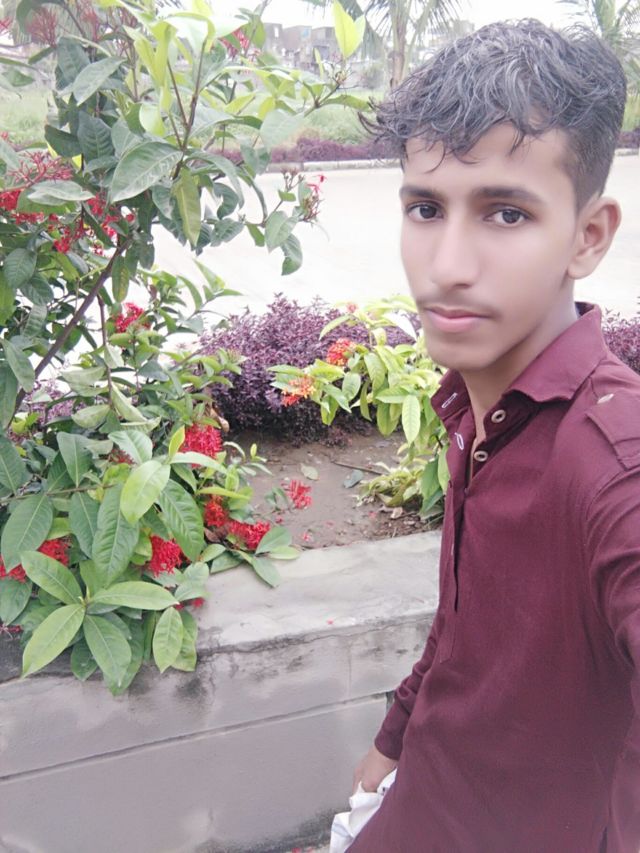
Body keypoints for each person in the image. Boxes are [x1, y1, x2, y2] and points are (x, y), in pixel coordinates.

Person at [347, 19, 640, 853]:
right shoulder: (480, 409)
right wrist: (395, 736)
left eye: (506, 213)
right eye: (425, 208)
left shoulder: (610, 459)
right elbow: (463, 621)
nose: (447, 264)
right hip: (421, 803)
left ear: (588, 235)